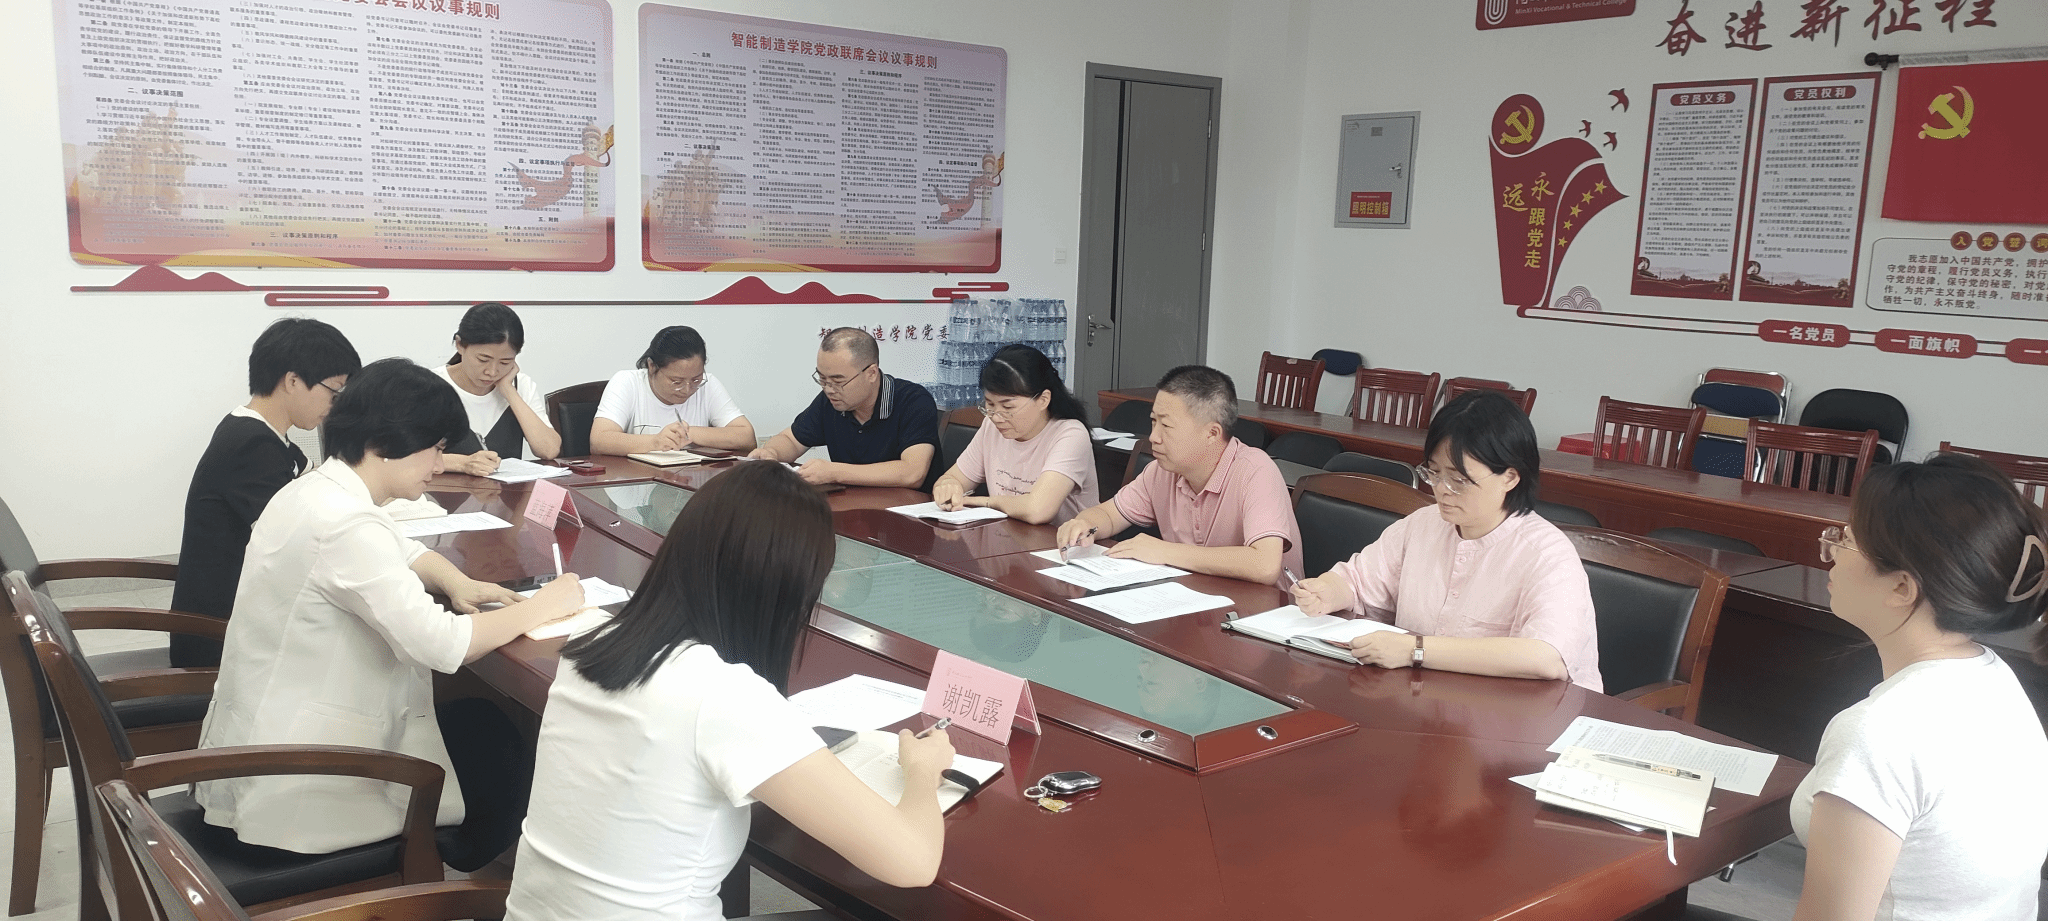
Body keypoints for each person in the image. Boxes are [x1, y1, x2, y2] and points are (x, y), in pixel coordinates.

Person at [503, 461, 955, 920]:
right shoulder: (724, 696)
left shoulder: (593, 642)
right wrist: (923, 771)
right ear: (786, 593)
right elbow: (913, 863)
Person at [194, 358, 588, 871]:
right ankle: (460, 883)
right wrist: (541, 607)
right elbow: (442, 643)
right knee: (502, 754)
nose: (440, 465)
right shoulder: (345, 524)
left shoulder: (318, 489)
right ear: (385, 444)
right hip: (303, 785)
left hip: (263, 746)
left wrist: (458, 581)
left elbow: (401, 547)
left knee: (480, 724)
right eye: (436, 449)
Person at [1785, 454, 2048, 921]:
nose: (1830, 550)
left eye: (1846, 540)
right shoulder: (1994, 676)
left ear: (1902, 588)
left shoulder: (1879, 731)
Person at [1289, 390, 1600, 689]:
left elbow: (1545, 657)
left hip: (1521, 713)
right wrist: (1327, 591)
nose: (1441, 490)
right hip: (1423, 697)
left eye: (1459, 480)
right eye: (1434, 473)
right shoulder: (1423, 524)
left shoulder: (1547, 554)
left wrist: (1415, 650)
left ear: (1510, 477)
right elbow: (1359, 580)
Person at [170, 318, 360, 668]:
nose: (334, 405)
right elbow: (298, 541)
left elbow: (318, 484)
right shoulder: (251, 444)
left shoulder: (262, 432)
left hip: (240, 614)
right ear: (292, 381)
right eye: (333, 393)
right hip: (220, 639)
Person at [1054, 365, 1300, 585]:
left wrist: (1165, 551)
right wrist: (1084, 523)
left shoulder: (1255, 470)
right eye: (1153, 422)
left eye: (1167, 426)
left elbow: (1264, 565)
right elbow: (1109, 514)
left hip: (1264, 611)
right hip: (1196, 598)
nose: (1153, 437)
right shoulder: (1162, 471)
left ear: (1212, 434)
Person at [749, 327, 940, 490]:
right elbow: (791, 440)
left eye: (838, 381)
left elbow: (912, 473)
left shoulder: (913, 401)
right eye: (822, 379)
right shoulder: (831, 401)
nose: (829, 389)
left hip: (907, 511)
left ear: (871, 373)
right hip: (853, 507)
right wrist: (771, 453)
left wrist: (834, 472)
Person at [931, 344, 1098, 524]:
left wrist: (986, 503)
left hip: (1058, 539)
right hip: (1007, 533)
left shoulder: (1071, 435)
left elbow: (1038, 510)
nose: (996, 417)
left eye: (1008, 407)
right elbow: (953, 478)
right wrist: (947, 487)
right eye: (990, 404)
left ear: (1043, 400)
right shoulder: (991, 426)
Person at [436, 302, 561, 476]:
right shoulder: (429, 385)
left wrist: (509, 391)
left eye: (505, 362)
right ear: (460, 345)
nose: (492, 372)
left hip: (506, 492)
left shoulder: (520, 385)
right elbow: (403, 457)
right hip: (442, 491)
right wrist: (463, 463)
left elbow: (549, 450)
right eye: (483, 359)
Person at [590, 325, 756, 455]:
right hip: (640, 480)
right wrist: (655, 442)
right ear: (652, 366)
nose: (687, 389)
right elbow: (599, 440)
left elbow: (746, 437)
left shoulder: (709, 385)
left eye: (696, 380)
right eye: (676, 381)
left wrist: (689, 433)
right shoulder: (627, 383)